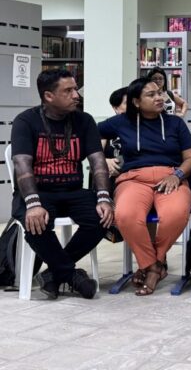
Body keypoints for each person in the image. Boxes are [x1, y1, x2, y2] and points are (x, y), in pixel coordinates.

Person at [10, 69, 114, 299]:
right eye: (68, 91)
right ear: (48, 96)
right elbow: (22, 163)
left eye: (76, 89)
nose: (76, 95)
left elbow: (98, 161)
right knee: (35, 224)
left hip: (73, 190)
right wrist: (33, 203)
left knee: (103, 219)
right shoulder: (26, 121)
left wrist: (104, 197)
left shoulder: (84, 120)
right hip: (38, 192)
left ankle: (53, 274)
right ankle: (72, 275)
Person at [98, 77, 191, 296]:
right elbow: (92, 135)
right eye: (151, 95)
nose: (159, 98)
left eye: (159, 93)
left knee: (175, 214)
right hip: (133, 179)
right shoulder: (121, 122)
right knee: (125, 215)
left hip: (170, 177)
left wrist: (178, 175)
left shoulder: (175, 123)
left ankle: (152, 264)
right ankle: (153, 266)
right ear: (136, 102)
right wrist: (102, 159)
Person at [105, 87, 127, 179]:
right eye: (127, 103)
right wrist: (105, 161)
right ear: (116, 108)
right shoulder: (106, 127)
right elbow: (96, 153)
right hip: (110, 174)